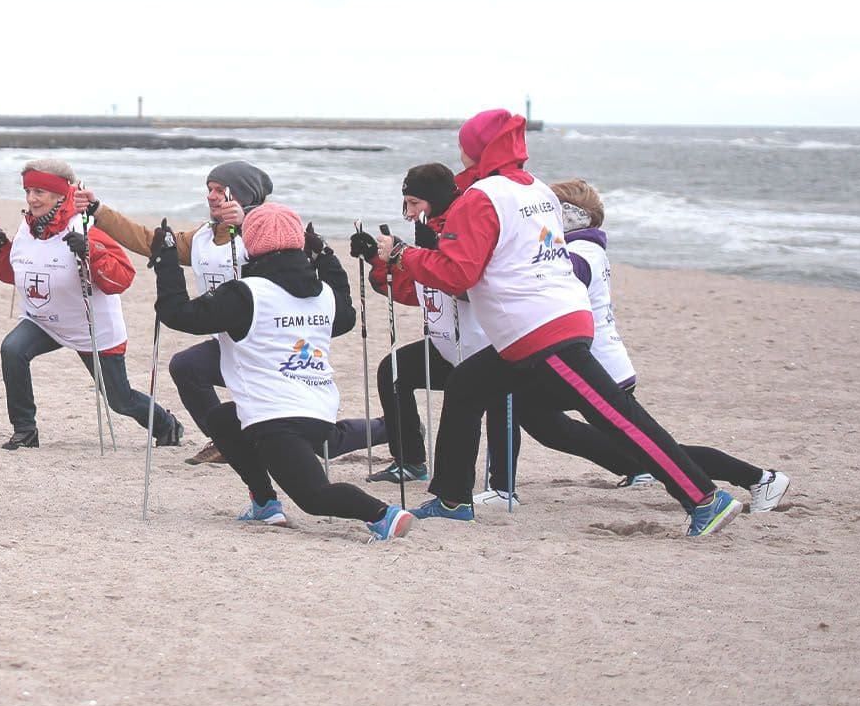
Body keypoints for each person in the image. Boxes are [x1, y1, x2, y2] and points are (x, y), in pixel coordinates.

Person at [379, 110, 744, 538]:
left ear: (476, 147)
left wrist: (403, 254)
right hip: (536, 325)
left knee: (618, 416)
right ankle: (453, 499)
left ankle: (704, 498)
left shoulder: (480, 198)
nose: (459, 150)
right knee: (465, 387)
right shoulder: (535, 189)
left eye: (464, 142)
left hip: (542, 329)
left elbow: (459, 274)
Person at [491, 179, 792, 512]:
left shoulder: (580, 253)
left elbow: (553, 279)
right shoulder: (579, 248)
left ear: (567, 216)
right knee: (550, 426)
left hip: (594, 365)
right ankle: (633, 466)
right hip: (592, 362)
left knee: (656, 448)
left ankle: (759, 478)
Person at [152, 204, 412, 539]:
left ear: (251, 244)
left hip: (276, 418)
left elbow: (179, 315)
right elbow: (346, 315)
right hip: (316, 407)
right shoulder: (324, 293)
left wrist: (166, 260)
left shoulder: (246, 294)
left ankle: (384, 515)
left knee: (314, 497)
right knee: (222, 420)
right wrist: (327, 257)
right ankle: (264, 504)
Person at [0, 159, 179, 452]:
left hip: (92, 327)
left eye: (40, 192)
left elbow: (122, 279)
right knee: (12, 349)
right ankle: (25, 430)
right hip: (45, 321)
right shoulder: (27, 229)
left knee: (118, 400)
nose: (31, 199)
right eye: (28, 191)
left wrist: (91, 252)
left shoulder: (86, 227)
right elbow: (13, 276)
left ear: (61, 196)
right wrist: (2, 250)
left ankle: (166, 425)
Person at [336, 162, 508, 486]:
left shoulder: (465, 228)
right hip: (445, 346)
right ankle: (410, 461)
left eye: (415, 204)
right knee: (394, 371)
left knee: (509, 406)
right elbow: (410, 288)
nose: (410, 213)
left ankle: (501, 484)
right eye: (407, 205)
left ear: (436, 199)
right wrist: (377, 258)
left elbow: (467, 281)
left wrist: (412, 255)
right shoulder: (427, 233)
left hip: (487, 348)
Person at [96, 160, 270, 462]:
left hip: (269, 346)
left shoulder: (265, 233)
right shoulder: (203, 236)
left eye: (220, 190)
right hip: (227, 342)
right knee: (185, 366)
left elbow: (288, 249)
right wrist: (99, 211)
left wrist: (246, 222)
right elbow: (148, 240)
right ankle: (225, 442)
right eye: (209, 189)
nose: (211, 196)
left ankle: (377, 431)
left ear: (243, 196)